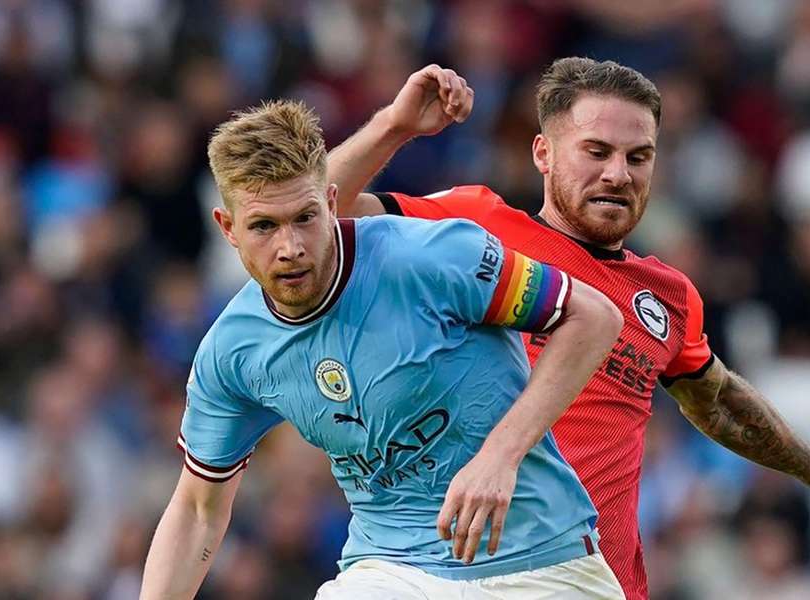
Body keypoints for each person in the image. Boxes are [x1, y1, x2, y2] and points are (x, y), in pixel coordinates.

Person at [328, 59, 810, 599]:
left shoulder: (668, 295)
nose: (619, 173)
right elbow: (310, 220)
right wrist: (393, 127)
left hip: (593, 581)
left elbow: (719, 401)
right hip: (458, 570)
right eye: (596, 152)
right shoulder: (473, 227)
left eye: (639, 157)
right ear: (543, 153)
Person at [139, 97, 628, 599]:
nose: (290, 247)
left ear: (331, 203)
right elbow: (198, 511)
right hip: (391, 570)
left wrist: (500, 455)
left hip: (542, 561)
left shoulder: (430, 256)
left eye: (304, 217)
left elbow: (594, 317)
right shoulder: (232, 352)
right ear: (227, 228)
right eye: (264, 225)